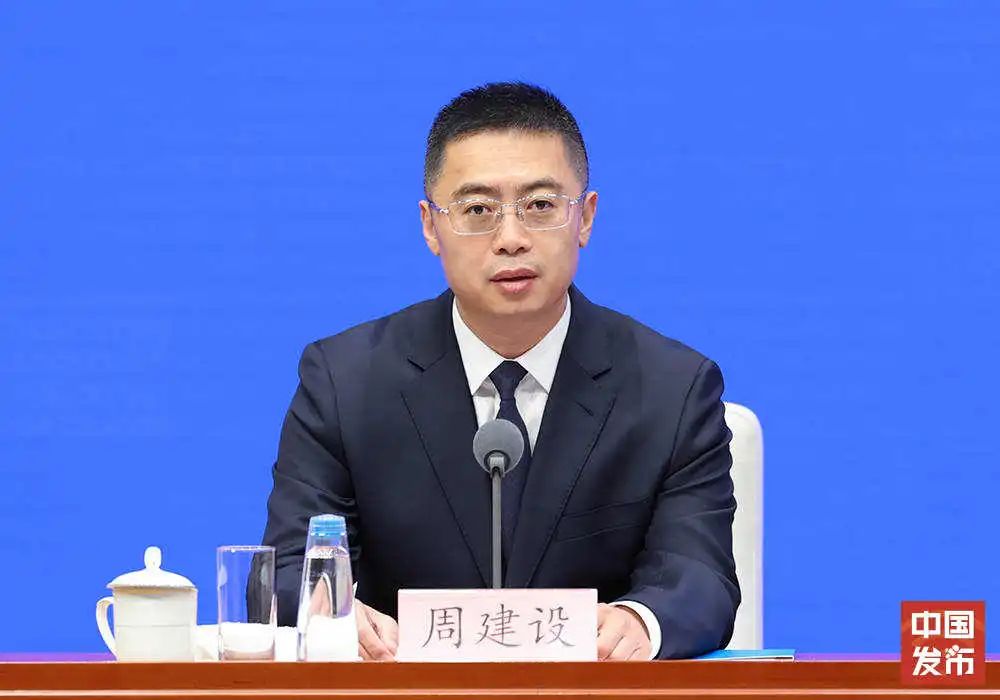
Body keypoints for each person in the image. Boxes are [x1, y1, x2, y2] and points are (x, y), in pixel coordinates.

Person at [262, 82, 739, 661]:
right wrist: (333, 613)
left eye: (540, 206)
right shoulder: (345, 381)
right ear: (431, 227)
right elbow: (292, 566)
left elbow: (700, 577)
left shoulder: (673, 390)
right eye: (478, 211)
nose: (511, 239)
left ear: (585, 217)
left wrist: (639, 622)